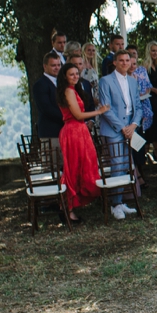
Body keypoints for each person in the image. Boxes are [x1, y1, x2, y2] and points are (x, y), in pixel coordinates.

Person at [57, 62, 109, 223]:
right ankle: (66, 208)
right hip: (73, 132)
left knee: (84, 166)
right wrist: (99, 111)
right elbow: (78, 115)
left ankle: (73, 205)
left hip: (79, 132)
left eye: (76, 74)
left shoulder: (73, 90)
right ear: (65, 76)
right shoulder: (67, 91)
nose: (75, 77)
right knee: (72, 170)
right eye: (71, 74)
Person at [98, 48, 141, 219]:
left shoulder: (133, 81)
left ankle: (121, 201)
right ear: (115, 62)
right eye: (121, 60)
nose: (124, 63)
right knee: (116, 165)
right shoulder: (105, 81)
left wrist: (133, 125)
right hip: (114, 129)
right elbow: (106, 108)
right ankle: (114, 204)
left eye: (127, 60)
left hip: (130, 128)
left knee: (125, 164)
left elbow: (137, 107)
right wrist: (123, 127)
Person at [128, 42, 155, 168]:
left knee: (140, 140)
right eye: (130, 63)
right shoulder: (124, 78)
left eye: (134, 64)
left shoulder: (139, 73)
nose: (133, 66)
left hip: (140, 111)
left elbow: (148, 88)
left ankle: (140, 168)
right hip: (128, 115)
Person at [33, 51, 64, 153]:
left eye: (58, 65)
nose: (57, 68)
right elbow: (46, 108)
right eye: (53, 65)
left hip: (65, 132)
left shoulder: (62, 82)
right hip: (51, 132)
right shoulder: (40, 84)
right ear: (45, 66)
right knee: (52, 166)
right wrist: (67, 117)